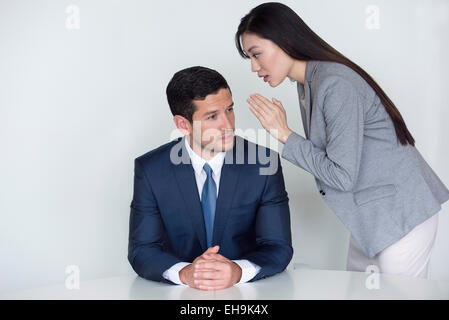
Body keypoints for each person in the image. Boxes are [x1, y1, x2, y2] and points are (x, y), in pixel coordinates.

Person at [235, 2, 449, 278]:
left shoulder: (334, 83)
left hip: (401, 215)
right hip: (368, 218)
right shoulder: (310, 82)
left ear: (284, 40)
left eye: (256, 54)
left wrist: (284, 134)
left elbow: (341, 176)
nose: (254, 67)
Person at [127, 66, 293, 290]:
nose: (228, 125)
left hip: (246, 295)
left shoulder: (264, 163)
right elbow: (142, 249)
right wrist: (185, 273)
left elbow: (278, 246)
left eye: (230, 109)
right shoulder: (151, 170)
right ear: (183, 124)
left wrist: (238, 271)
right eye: (212, 116)